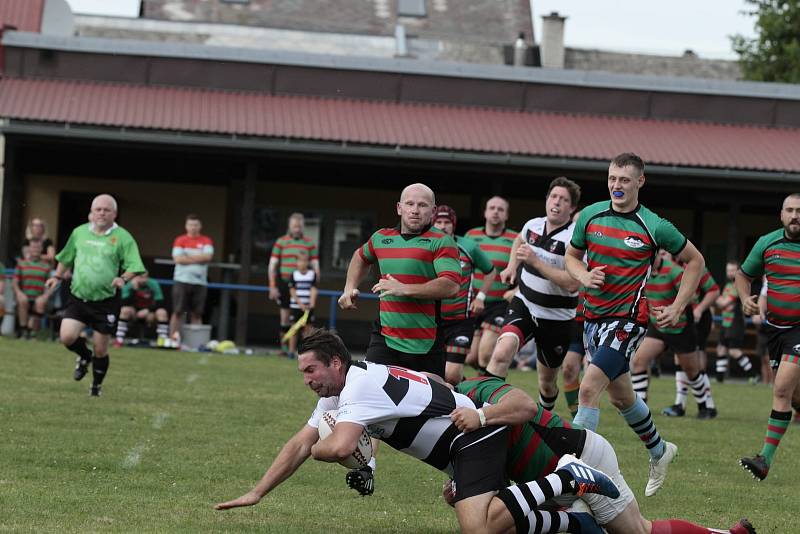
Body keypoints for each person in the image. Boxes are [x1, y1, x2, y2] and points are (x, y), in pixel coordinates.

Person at [214, 328, 615, 534]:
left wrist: (323, 447)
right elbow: (300, 441)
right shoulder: (344, 390)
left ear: (335, 362)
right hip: (460, 445)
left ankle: (569, 478)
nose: (306, 380)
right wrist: (257, 492)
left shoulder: (358, 387)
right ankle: (571, 523)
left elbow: (337, 449)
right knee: (498, 525)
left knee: (477, 527)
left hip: (472, 434)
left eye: (310, 370)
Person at [451, 376, 756, 534]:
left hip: (584, 460)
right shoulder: (448, 432)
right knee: (498, 524)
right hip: (555, 483)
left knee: (638, 531)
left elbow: (527, 407)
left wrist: (481, 415)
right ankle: (575, 521)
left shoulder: (475, 390)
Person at [565, 152, 705, 497]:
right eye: (612, 179)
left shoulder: (654, 225)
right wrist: (584, 275)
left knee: (587, 388)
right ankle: (660, 451)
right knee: (622, 397)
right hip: (592, 320)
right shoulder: (589, 215)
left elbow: (696, 261)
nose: (616, 186)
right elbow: (572, 257)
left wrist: (678, 305)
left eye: (624, 180)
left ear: (639, 182)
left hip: (628, 321)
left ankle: (576, 480)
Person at [337, 183, 460, 496]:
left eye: (422, 205)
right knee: (369, 399)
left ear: (432, 211)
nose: (415, 210)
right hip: (386, 336)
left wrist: (406, 288)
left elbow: (450, 285)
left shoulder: (440, 242)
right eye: (410, 204)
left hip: (426, 340)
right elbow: (360, 256)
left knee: (442, 409)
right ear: (399, 207)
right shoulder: (382, 237)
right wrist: (350, 286)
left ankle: (462, 469)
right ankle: (367, 467)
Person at [487, 177, 582, 417]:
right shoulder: (533, 225)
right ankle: (486, 412)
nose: (557, 202)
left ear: (571, 209)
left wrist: (535, 262)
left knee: (546, 383)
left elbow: (572, 284)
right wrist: (511, 267)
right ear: (547, 200)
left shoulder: (575, 241)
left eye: (564, 200)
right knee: (501, 352)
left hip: (557, 318)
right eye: (553, 196)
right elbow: (519, 240)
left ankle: (543, 418)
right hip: (525, 305)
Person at [45, 194, 146, 397]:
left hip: (106, 302)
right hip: (79, 298)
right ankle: (84, 356)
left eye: (106, 210)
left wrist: (123, 279)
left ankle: (96, 387)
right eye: (98, 209)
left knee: (102, 349)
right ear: (91, 213)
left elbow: (135, 265)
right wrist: (57, 276)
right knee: (66, 337)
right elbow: (66, 257)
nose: (101, 213)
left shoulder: (123, 237)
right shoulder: (79, 233)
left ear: (114, 214)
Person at [737, 193, 800, 481]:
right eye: (790, 210)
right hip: (775, 329)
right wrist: (744, 299)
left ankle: (765, 459)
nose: (795, 215)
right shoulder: (766, 242)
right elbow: (743, 275)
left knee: (781, 389)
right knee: (793, 396)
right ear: (782, 215)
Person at [630, 250, 717, 419]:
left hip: (680, 326)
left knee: (691, 369)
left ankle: (706, 406)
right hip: (658, 325)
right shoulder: (641, 271)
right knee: (639, 360)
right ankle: (639, 408)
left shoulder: (675, 271)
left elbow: (693, 297)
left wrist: (673, 307)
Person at [431, 204, 497, 385]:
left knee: (451, 374)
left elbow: (491, 271)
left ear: (453, 224)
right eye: (438, 222)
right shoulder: (425, 246)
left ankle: (469, 394)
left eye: (447, 222)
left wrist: (480, 297)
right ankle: (465, 392)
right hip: (431, 320)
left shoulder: (468, 246)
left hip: (461, 320)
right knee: (434, 374)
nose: (443, 226)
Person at [464, 197, 519, 374]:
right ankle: (486, 381)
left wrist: (516, 290)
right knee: (471, 358)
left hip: (499, 303)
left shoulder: (515, 239)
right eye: (492, 208)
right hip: (473, 302)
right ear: (485, 212)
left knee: (486, 354)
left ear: (507, 215)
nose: (496, 212)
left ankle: (485, 393)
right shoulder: (472, 236)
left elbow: (526, 268)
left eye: (500, 209)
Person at [664, 264, 720, 416]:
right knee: (679, 360)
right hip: (679, 317)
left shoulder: (694, 265)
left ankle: (709, 405)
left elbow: (714, 290)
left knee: (697, 361)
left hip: (697, 317)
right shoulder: (667, 266)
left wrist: (699, 309)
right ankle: (679, 404)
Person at [269, 213, 320, 354]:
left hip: (305, 284)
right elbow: (272, 265)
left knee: (306, 322)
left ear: (302, 226)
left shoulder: (309, 243)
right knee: (285, 317)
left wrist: (314, 284)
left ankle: (304, 350)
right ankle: (284, 348)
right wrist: (272, 285)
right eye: (294, 226)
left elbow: (316, 265)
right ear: (289, 226)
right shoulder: (281, 241)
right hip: (285, 283)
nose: (296, 229)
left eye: (299, 226)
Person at [169, 214, 214, 340]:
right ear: (186, 226)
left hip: (200, 282)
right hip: (182, 280)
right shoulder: (180, 240)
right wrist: (198, 258)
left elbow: (208, 257)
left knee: (197, 312)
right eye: (190, 225)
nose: (193, 227)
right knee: (178, 311)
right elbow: (178, 259)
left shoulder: (206, 240)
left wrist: (187, 257)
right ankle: (173, 339)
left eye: (195, 225)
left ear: (200, 226)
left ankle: (195, 341)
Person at [715, 260, 754, 382]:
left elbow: (723, 303)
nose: (730, 273)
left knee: (733, 351)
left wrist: (718, 298)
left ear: (738, 271)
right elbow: (721, 303)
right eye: (728, 270)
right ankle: (719, 379)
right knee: (721, 348)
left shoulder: (739, 284)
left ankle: (753, 375)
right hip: (725, 321)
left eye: (733, 270)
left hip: (736, 322)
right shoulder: (728, 285)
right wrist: (722, 302)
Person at [12, 240, 54, 339]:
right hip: (24, 296)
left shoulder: (46, 266)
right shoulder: (21, 264)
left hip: (38, 297)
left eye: (38, 247)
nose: (35, 249)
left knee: (40, 302)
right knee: (23, 300)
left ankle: (33, 334)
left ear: (41, 249)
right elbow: (14, 282)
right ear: (29, 249)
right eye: (33, 247)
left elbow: (51, 285)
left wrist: (45, 296)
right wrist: (18, 293)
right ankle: (23, 331)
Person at [114, 275, 169, 347]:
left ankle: (162, 341)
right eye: (141, 277)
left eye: (146, 277)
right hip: (134, 312)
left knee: (162, 312)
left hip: (149, 313)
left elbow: (160, 302)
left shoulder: (153, 283)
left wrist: (148, 310)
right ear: (135, 277)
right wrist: (134, 290)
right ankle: (119, 339)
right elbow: (124, 302)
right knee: (125, 310)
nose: (143, 279)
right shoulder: (129, 284)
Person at [286, 249, 318, 359]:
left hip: (308, 308)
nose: (302, 263)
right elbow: (292, 291)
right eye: (300, 261)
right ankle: (291, 352)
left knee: (308, 330)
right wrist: (300, 304)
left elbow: (313, 289)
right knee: (294, 329)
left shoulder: (312, 274)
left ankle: (306, 353)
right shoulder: (293, 275)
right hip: (296, 306)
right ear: (296, 262)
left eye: (304, 261)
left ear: (308, 262)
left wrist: (312, 304)